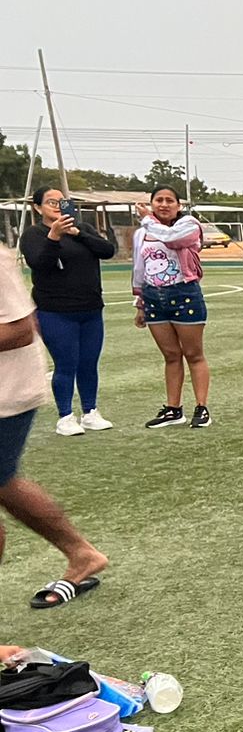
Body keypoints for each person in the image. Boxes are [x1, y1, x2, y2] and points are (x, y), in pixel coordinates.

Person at [0, 244, 108, 609]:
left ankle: (81, 552)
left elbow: (20, 330)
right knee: (6, 483)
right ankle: (81, 553)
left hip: (7, 393)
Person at [20, 187, 116, 435]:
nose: (58, 206)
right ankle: (65, 416)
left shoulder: (83, 229)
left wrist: (78, 234)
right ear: (38, 207)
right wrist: (54, 236)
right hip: (55, 311)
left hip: (90, 309)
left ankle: (90, 412)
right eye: (51, 202)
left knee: (88, 363)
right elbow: (39, 263)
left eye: (62, 202)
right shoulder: (34, 234)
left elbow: (107, 250)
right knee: (65, 364)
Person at [132, 186, 212, 429]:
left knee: (193, 354)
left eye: (169, 200)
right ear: (152, 203)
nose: (164, 204)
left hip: (184, 294)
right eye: (159, 200)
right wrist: (140, 303)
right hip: (153, 297)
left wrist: (148, 220)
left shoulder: (188, 225)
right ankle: (173, 409)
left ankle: (202, 407)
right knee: (170, 355)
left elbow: (172, 238)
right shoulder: (141, 233)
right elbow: (139, 267)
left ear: (179, 205)